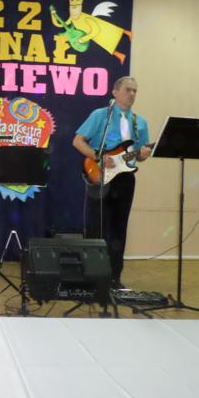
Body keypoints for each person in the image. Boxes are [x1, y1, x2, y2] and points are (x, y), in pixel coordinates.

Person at [72, 76, 151, 289]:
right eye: (128, 90)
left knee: (119, 229)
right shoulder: (100, 115)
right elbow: (77, 141)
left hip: (125, 178)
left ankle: (114, 278)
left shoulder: (140, 122)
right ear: (115, 92)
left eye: (135, 90)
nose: (132, 94)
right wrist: (98, 156)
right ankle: (90, 277)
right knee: (95, 227)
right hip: (100, 175)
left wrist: (144, 154)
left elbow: (140, 155)